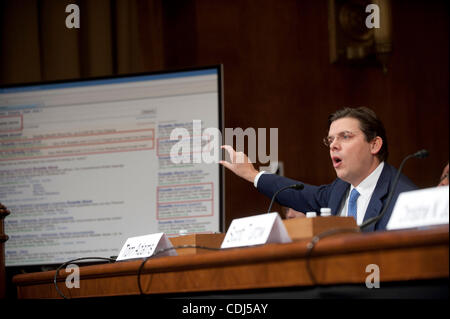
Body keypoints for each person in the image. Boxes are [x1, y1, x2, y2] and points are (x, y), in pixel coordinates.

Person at [220, 107, 417, 231]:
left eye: (345, 136)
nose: (333, 145)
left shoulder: (404, 197)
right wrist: (252, 175)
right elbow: (302, 194)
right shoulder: (339, 189)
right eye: (330, 140)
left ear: (374, 145)